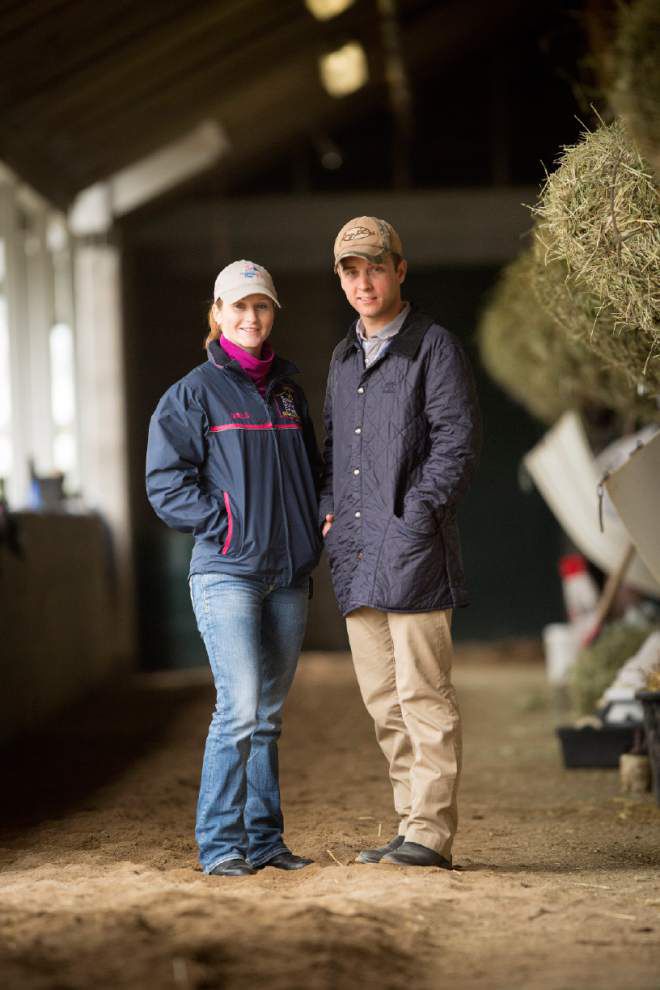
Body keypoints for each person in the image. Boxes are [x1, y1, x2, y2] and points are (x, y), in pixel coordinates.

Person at [146, 260, 322, 877]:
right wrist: (227, 523)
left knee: (267, 719)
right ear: (217, 315)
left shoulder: (289, 394)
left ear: (272, 314)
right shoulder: (192, 393)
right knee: (240, 709)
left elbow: (316, 474)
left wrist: (318, 514)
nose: (251, 317)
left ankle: (266, 842)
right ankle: (220, 846)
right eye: (238, 307)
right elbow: (165, 484)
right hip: (227, 572)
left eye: (262, 307)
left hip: (289, 574)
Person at [320, 217, 481, 869]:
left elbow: (456, 442)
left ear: (400, 269)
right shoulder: (341, 356)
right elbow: (333, 450)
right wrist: (331, 510)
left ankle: (433, 834)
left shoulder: (433, 346)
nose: (364, 281)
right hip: (357, 552)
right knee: (385, 702)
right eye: (351, 271)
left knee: (423, 696)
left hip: (413, 550)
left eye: (375, 267)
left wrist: (415, 515)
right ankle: (410, 823)